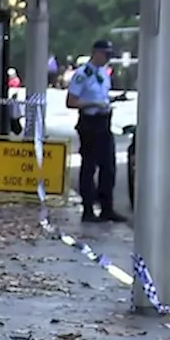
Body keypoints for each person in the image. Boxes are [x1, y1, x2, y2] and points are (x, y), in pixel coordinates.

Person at [67, 39, 127, 223]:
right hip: (90, 123)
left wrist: (112, 99)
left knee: (108, 167)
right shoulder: (82, 74)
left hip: (104, 121)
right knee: (89, 166)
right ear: (95, 53)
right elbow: (71, 101)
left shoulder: (103, 72)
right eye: (105, 54)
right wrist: (93, 103)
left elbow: (101, 94)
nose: (107, 58)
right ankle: (88, 209)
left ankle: (107, 208)